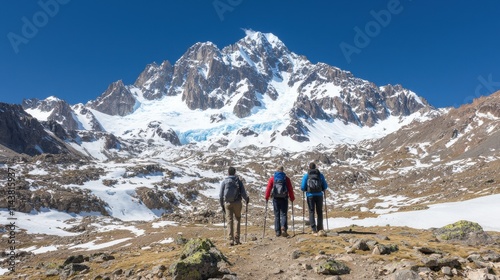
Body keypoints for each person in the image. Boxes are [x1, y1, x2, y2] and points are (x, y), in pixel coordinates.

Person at [219, 166, 249, 246]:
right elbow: (243, 193)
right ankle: (237, 238)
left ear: (228, 173)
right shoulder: (238, 181)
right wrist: (246, 199)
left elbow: (221, 195)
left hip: (228, 203)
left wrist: (222, 204)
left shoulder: (225, 181)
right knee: (237, 219)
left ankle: (230, 239)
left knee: (229, 220)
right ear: (234, 173)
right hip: (237, 203)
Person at [265, 166, 295, 237]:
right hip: (284, 198)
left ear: (276, 170)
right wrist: (292, 197)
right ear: (282, 170)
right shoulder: (286, 178)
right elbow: (290, 188)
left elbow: (269, 188)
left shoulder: (273, 178)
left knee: (277, 214)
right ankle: (283, 228)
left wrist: (266, 197)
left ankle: (277, 231)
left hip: (275, 199)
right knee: (284, 214)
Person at [300, 162, 328, 235]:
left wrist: (306, 190)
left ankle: (313, 229)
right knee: (319, 212)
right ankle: (320, 228)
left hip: (310, 196)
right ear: (315, 167)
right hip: (319, 195)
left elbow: (302, 187)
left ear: (309, 167)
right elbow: (325, 186)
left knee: (311, 211)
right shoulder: (320, 175)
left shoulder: (306, 176)